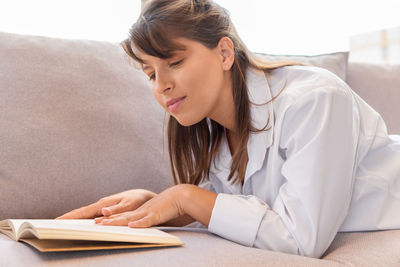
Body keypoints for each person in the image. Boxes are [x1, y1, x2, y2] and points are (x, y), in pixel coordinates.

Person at [56, 0, 400, 259]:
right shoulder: (221, 132)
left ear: (224, 52)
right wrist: (158, 203)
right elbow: (242, 208)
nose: (161, 86)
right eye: (150, 74)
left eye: (174, 62)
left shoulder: (315, 100)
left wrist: (186, 196)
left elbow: (298, 240)